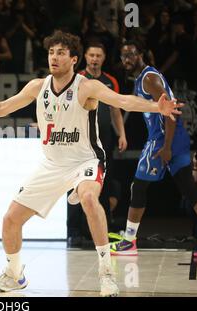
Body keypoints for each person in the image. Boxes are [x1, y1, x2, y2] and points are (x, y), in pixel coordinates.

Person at [0, 30, 181, 297]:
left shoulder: (86, 86)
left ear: (74, 59)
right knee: (10, 220)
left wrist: (157, 108)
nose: (54, 57)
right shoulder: (38, 87)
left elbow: (122, 101)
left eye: (61, 52)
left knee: (87, 198)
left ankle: (107, 273)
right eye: (51, 52)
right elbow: (3, 107)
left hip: (86, 160)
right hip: (52, 164)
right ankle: (14, 274)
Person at [110, 41, 197, 257]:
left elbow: (170, 110)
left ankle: (128, 242)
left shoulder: (149, 79)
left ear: (141, 55)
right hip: (176, 138)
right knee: (190, 189)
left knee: (139, 187)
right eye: (123, 56)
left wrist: (166, 147)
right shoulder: (144, 77)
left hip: (163, 139)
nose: (127, 59)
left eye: (131, 55)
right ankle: (129, 240)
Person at [68, 42, 127, 244]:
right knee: (75, 186)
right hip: (79, 142)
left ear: (103, 58)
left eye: (98, 55)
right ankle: (74, 232)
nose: (94, 59)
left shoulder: (110, 81)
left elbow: (116, 110)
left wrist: (122, 134)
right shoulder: (76, 79)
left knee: (103, 185)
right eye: (91, 55)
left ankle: (103, 231)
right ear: (85, 56)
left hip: (104, 142)